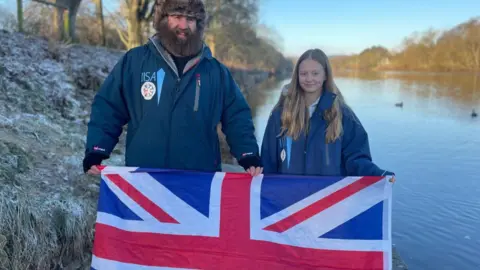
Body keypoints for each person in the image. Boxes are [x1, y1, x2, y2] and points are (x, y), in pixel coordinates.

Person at [82, 0, 262, 176]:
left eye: (190, 19)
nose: (183, 25)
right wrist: (97, 149)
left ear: (198, 24)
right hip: (144, 176)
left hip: (199, 179)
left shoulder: (215, 71)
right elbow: (108, 107)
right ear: (163, 19)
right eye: (177, 16)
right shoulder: (135, 61)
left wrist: (248, 154)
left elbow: (237, 115)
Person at [261, 48, 394, 177]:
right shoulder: (281, 114)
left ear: (325, 75)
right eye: (303, 73)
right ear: (297, 76)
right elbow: (268, 160)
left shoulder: (343, 115)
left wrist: (377, 174)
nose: (309, 79)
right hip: (289, 196)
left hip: (327, 197)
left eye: (315, 73)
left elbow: (356, 158)